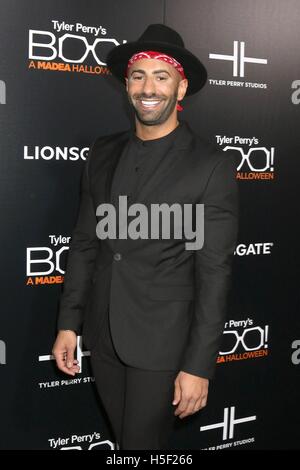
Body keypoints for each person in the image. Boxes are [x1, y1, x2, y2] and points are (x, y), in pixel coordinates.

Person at [52, 23, 239, 450]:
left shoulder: (210, 165)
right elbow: (85, 244)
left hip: (164, 345)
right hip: (103, 335)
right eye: (138, 76)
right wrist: (69, 323)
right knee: (127, 443)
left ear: (181, 87)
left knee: (141, 447)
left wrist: (199, 366)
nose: (147, 87)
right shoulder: (102, 151)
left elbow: (214, 274)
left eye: (161, 76)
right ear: (126, 85)